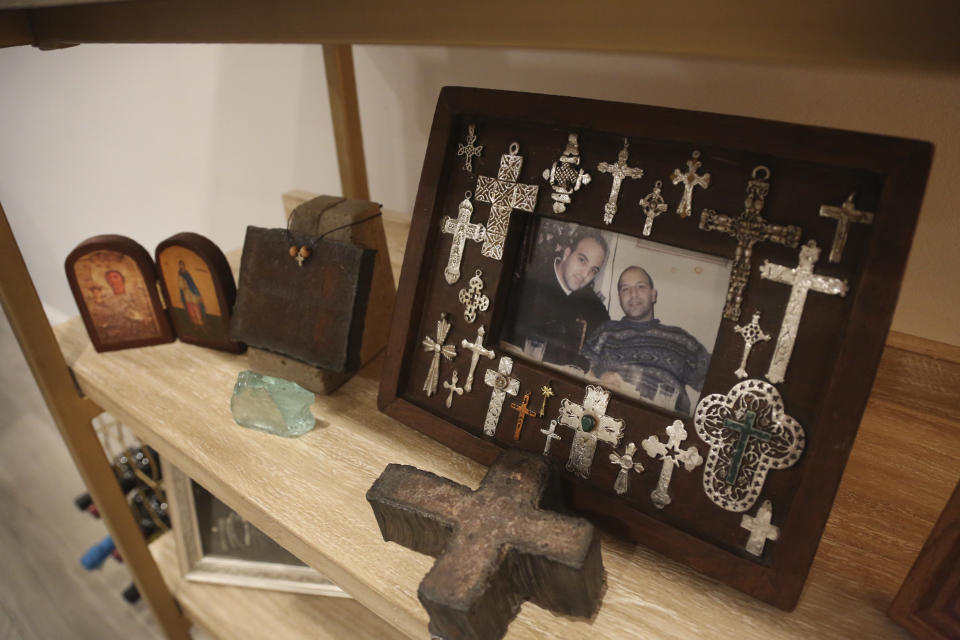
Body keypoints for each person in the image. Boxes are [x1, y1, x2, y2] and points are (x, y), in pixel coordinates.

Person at [583, 266, 710, 413]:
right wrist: (600, 375)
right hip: (611, 413)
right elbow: (578, 365)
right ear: (619, 298)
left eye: (641, 286)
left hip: (664, 424)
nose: (633, 294)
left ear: (653, 295)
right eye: (625, 289)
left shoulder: (681, 339)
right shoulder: (606, 331)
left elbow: (714, 381)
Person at [504, 229, 610, 370]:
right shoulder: (527, 283)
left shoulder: (593, 305)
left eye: (594, 270)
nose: (585, 274)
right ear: (567, 253)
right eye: (582, 260)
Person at [176, 260, 206, 326]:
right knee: (190, 307)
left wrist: (196, 292)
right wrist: (183, 284)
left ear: (184, 265)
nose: (181, 266)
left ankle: (200, 322)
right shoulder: (179, 275)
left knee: (196, 306)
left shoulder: (187, 274)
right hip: (186, 293)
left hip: (192, 292)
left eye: (182, 264)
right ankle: (195, 322)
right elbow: (180, 285)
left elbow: (192, 283)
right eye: (180, 265)